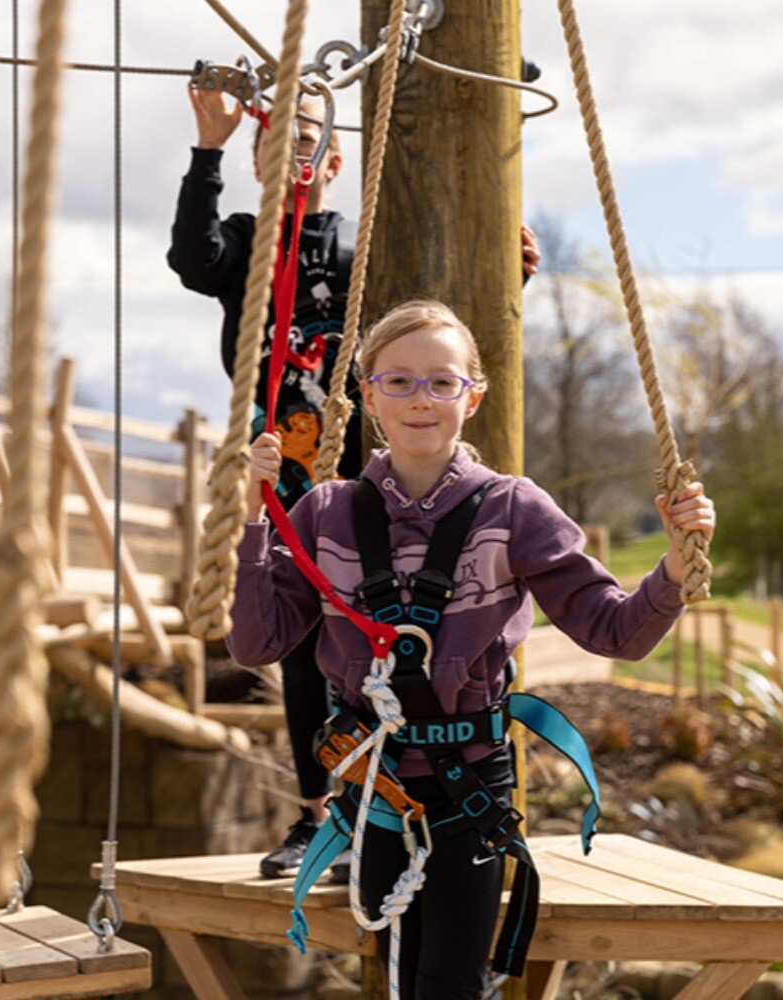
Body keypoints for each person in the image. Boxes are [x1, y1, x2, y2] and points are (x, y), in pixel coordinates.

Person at [229, 299, 716, 999]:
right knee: (399, 976)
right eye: (398, 381)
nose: (420, 400)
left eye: (441, 381)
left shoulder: (513, 512)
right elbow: (256, 641)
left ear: (473, 395)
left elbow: (616, 633)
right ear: (368, 396)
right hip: (375, 792)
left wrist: (672, 567)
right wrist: (252, 518)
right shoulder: (327, 513)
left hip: (469, 790)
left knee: (448, 984)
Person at [168, 86, 541, 882]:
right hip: (284, 476)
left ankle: (429, 798)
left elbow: (426, 325)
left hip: (355, 479)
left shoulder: (358, 248)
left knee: (403, 635)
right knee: (301, 647)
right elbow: (192, 260)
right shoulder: (246, 241)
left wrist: (497, 263)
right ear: (258, 161)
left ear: (335, 159)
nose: (292, 154)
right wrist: (209, 148)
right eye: (276, 144)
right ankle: (319, 816)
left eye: (308, 141)